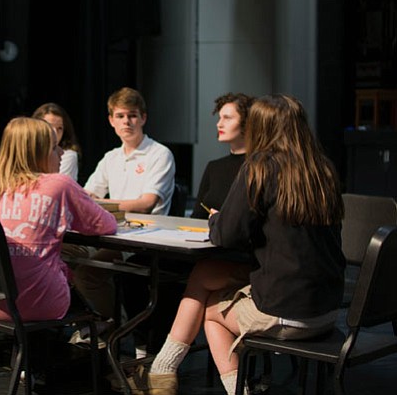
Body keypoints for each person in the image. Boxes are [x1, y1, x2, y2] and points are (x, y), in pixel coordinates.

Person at [124, 94, 345, 395]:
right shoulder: (322, 171)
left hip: (287, 311)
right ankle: (163, 370)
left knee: (211, 312)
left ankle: (221, 387)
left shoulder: (261, 167)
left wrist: (218, 218)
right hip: (328, 310)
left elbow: (226, 235)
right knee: (205, 273)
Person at [123, 92, 256, 358]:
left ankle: (159, 352)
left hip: (234, 252)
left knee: (166, 279)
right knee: (133, 268)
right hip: (204, 246)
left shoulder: (258, 167)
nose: (219, 123)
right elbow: (196, 216)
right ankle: (143, 348)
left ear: (247, 124)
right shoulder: (214, 166)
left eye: (227, 118)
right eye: (219, 118)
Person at [0, 117, 118, 322]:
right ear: (36, 153)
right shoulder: (59, 184)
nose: (62, 153)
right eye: (54, 148)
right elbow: (107, 225)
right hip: (39, 304)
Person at [74, 87, 176, 319]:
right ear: (111, 120)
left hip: (146, 241)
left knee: (87, 274)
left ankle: (117, 327)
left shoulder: (159, 154)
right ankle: (102, 324)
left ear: (143, 118)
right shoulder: (111, 157)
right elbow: (87, 195)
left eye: (132, 115)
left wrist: (103, 203)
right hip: (113, 235)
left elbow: (146, 203)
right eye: (120, 116)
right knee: (65, 260)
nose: (126, 122)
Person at [32, 102, 82, 181]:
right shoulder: (28, 152)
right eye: (49, 127)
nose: (54, 133)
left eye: (60, 128)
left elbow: (58, 186)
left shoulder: (67, 156)